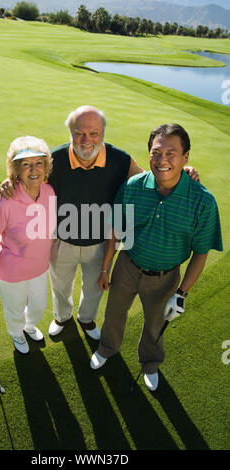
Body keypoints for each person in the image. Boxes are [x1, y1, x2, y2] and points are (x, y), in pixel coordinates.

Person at [0, 107, 199, 342]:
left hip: (101, 243)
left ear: (103, 132)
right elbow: (29, 176)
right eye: (79, 133)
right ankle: (62, 317)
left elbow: (153, 179)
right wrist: (9, 181)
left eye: (94, 133)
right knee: (60, 286)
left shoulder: (121, 160)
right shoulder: (55, 159)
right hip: (61, 240)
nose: (86, 140)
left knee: (93, 288)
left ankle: (86, 318)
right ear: (71, 133)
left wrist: (183, 172)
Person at [90, 123, 223, 391]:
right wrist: (105, 269)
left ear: (186, 157)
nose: (162, 160)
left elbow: (200, 252)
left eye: (171, 153)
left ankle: (150, 364)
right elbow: (115, 229)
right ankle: (106, 348)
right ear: (149, 153)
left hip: (165, 276)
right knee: (115, 312)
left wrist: (182, 293)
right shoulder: (133, 186)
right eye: (156, 152)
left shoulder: (203, 202)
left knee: (155, 322)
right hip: (127, 265)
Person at [0, 136, 56, 354]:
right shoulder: (5, 200)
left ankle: (29, 325)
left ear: (45, 166)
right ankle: (17, 333)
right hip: (12, 269)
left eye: (38, 163)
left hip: (40, 267)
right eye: (25, 164)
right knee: (14, 309)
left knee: (38, 306)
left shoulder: (49, 191)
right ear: (16, 169)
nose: (33, 169)